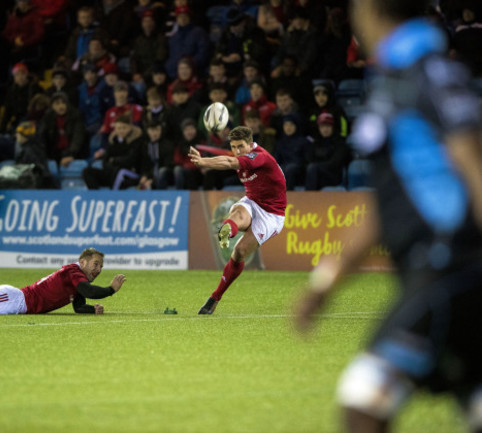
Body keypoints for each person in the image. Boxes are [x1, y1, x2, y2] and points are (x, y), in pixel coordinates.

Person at [294, 1, 482, 432]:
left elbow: (474, 164)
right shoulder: (401, 78)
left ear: (369, 13)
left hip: (447, 266)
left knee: (364, 400)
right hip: (446, 270)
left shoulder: (425, 76)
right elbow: (384, 203)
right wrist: (326, 282)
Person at [189, 126, 286, 314]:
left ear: (250, 144)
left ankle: (215, 297)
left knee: (240, 251)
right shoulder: (242, 154)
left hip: (272, 214)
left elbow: (227, 162)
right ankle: (226, 230)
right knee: (238, 213)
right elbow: (227, 158)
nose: (238, 151)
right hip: (252, 201)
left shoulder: (259, 157)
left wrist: (202, 161)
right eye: (234, 147)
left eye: (241, 146)